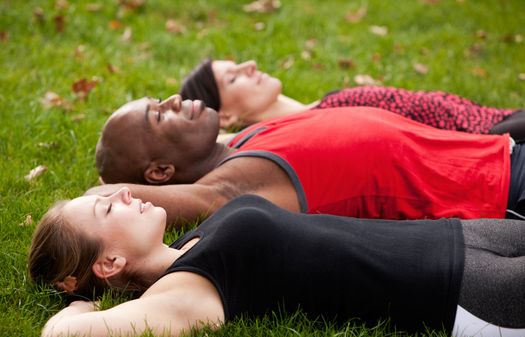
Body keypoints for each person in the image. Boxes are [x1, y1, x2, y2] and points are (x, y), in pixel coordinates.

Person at [29, 190, 525, 337]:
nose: (120, 195)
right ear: (109, 262)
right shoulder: (185, 292)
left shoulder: (188, 246)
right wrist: (78, 302)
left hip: (455, 236)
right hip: (456, 291)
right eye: (106, 211)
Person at [92, 95, 523, 227]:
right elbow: (105, 193)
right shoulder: (239, 182)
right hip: (503, 193)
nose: (171, 99)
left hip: (503, 154)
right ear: (160, 172)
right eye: (158, 114)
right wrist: (99, 196)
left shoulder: (243, 140)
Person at [180, 59, 525, 139]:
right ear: (223, 116)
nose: (250, 65)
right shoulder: (308, 128)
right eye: (233, 76)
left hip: (497, 117)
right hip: (492, 140)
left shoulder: (322, 105)